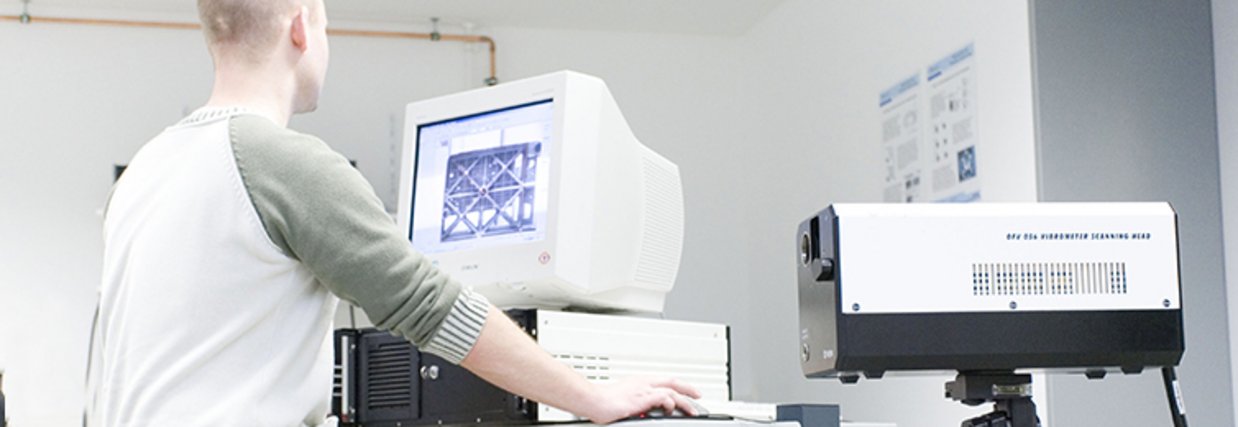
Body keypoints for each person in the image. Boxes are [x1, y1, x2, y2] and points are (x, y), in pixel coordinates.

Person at [83, 0, 700, 425]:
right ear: (301, 26)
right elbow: (433, 307)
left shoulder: (144, 169)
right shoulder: (280, 162)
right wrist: (593, 399)